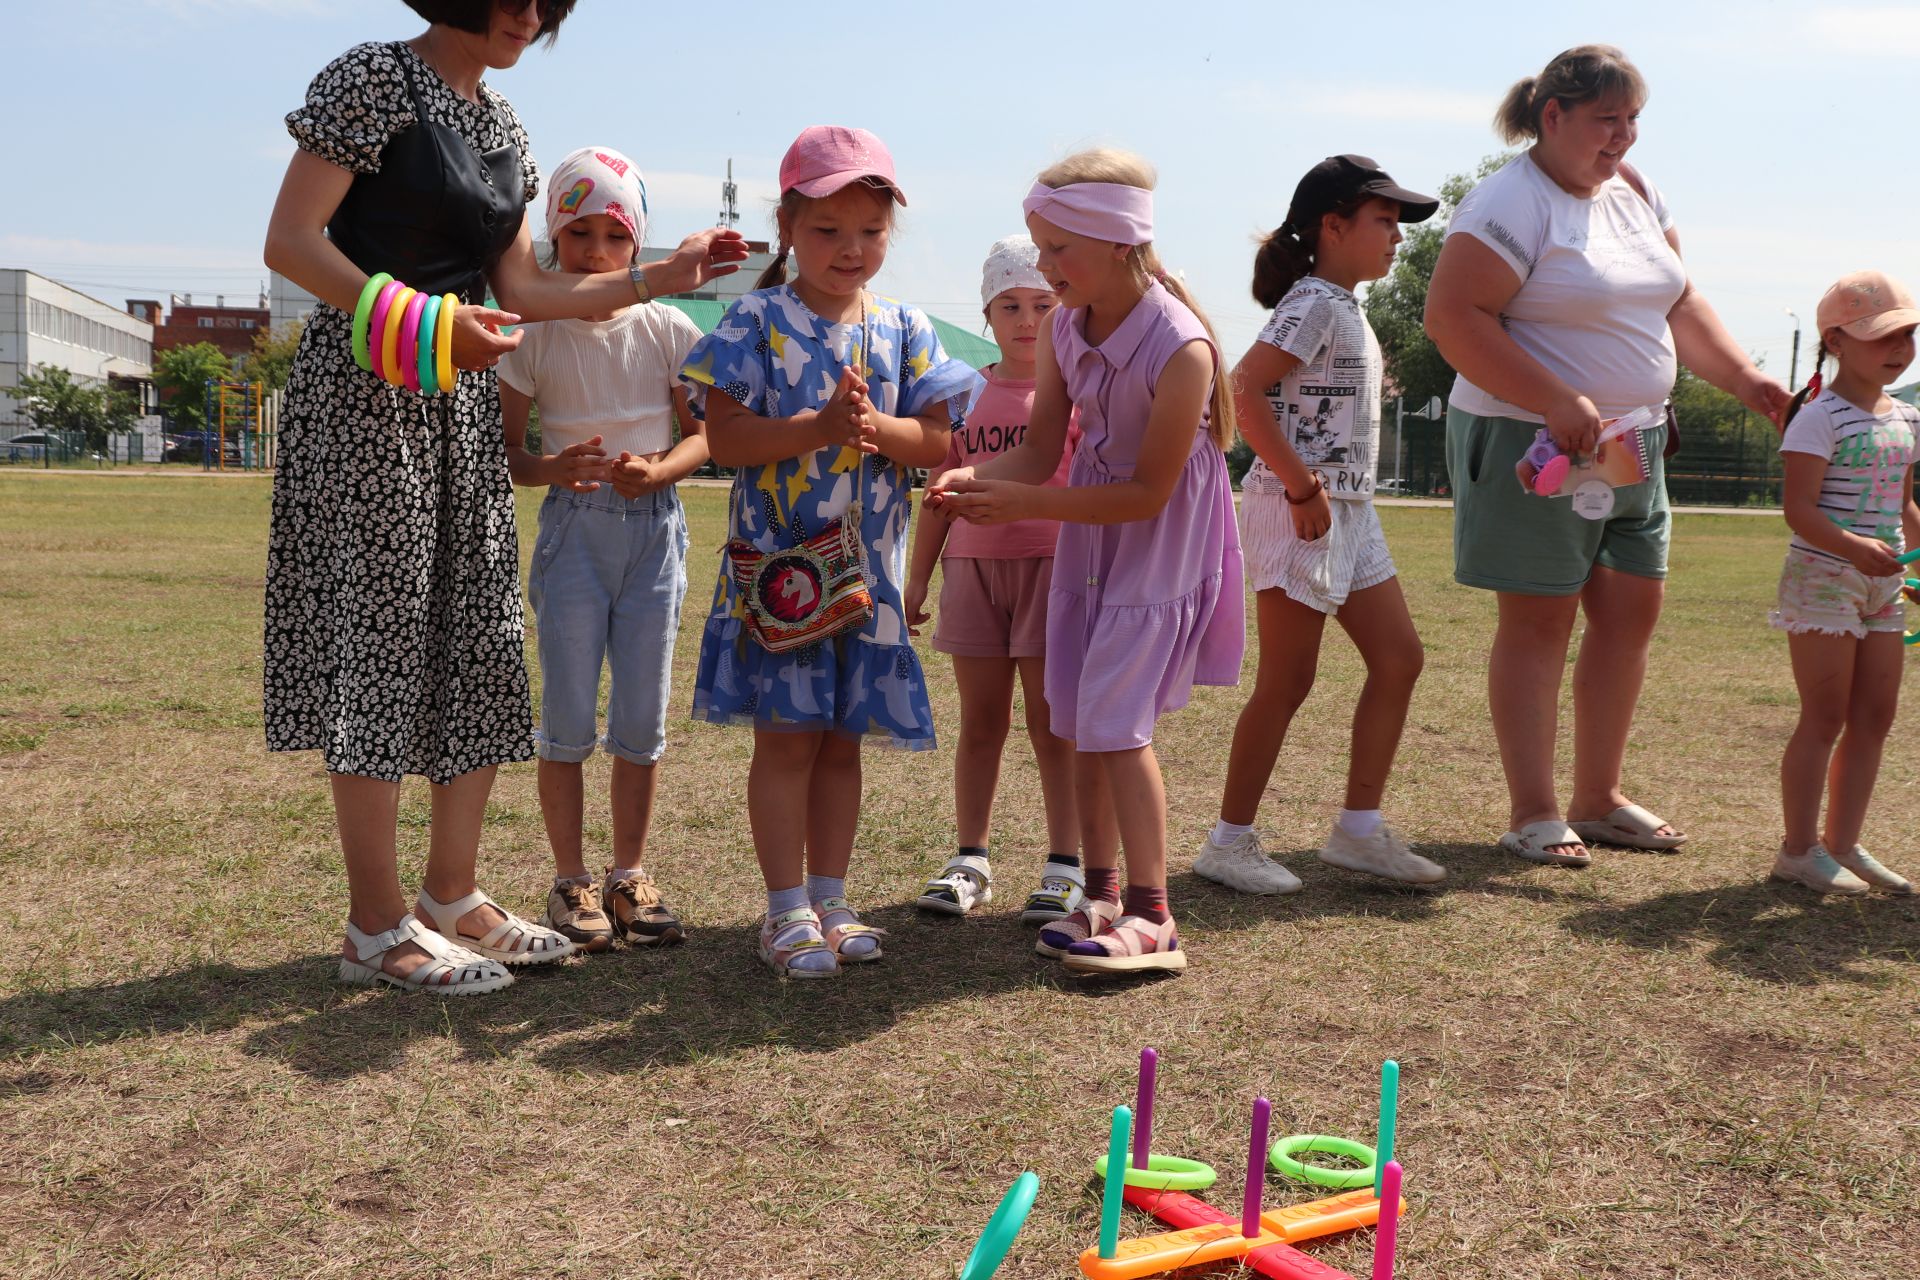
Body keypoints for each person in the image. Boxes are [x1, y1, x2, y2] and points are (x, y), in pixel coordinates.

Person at [263, 0, 746, 993]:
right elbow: (293, 240)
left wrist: (663, 275)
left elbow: (521, 285)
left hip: (459, 397)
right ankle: (373, 925)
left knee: (479, 644)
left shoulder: (501, 124)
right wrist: (429, 320)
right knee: (383, 646)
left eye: (547, 3)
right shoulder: (369, 78)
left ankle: (453, 896)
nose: (529, 17)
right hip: (369, 392)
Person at [1423, 44, 1789, 867]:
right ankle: (1535, 810)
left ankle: (1599, 797)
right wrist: (1552, 396)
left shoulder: (1636, 189)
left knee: (1630, 614)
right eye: (1606, 119)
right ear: (1552, 118)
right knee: (1541, 617)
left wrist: (1742, 378)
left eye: (1633, 120)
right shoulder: (1508, 203)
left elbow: (1680, 297)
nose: (1623, 137)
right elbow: (1451, 319)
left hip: (1636, 441)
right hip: (1534, 442)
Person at [931, 149, 1244, 976]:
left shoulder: (1183, 349)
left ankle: (1154, 917)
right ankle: (1101, 897)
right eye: (1038, 247)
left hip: (1154, 541)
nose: (1043, 268)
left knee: (1113, 720)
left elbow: (1147, 492)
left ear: (1116, 243)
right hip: (1091, 533)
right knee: (1076, 714)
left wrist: (1028, 503)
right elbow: (1039, 452)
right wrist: (974, 477)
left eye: (1057, 250)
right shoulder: (1071, 325)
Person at [678, 126, 978, 979]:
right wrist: (815, 428)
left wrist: (876, 429)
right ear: (786, 226)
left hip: (869, 578)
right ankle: (783, 911)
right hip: (784, 579)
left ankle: (832, 897)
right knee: (786, 737)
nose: (851, 249)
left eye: (871, 232)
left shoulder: (906, 326)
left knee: (842, 741)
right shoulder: (753, 320)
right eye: (826, 231)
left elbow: (935, 439)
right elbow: (725, 437)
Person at [1197, 156, 1446, 895]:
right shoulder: (1313, 302)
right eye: (1384, 222)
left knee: (1399, 658)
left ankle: (1358, 832)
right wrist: (1304, 487)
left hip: (1350, 510)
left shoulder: (1343, 304)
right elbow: (1244, 389)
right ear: (1333, 226)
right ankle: (1228, 843)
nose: (1396, 239)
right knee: (1288, 679)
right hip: (1298, 505)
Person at [498, 146, 709, 952]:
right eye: (576, 234)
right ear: (551, 240)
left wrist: (659, 467)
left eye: (613, 236)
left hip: (654, 535)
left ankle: (629, 874)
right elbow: (509, 455)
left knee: (640, 721)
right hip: (571, 535)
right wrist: (554, 466)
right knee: (567, 719)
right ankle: (570, 881)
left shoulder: (669, 329)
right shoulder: (534, 335)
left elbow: (708, 436)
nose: (594, 253)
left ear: (638, 246)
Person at [905, 236, 1084, 926]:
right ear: (987, 311)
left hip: (1053, 569)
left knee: (1051, 725)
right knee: (982, 722)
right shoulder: (965, 393)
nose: (1027, 319)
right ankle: (970, 858)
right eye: (1010, 304)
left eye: (1043, 303)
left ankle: (1066, 864)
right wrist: (918, 578)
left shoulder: (1073, 395)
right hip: (973, 572)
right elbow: (937, 495)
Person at [1770, 272, 1920, 897]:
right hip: (1825, 579)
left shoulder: (1908, 417)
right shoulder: (1818, 417)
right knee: (1825, 715)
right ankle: (1799, 850)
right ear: (1835, 340)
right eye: (1882, 335)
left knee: (1874, 716)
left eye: (1907, 334)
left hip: (1883, 585)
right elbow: (1799, 510)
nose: (1899, 347)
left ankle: (1844, 843)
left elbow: (1904, 507)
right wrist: (1857, 549)